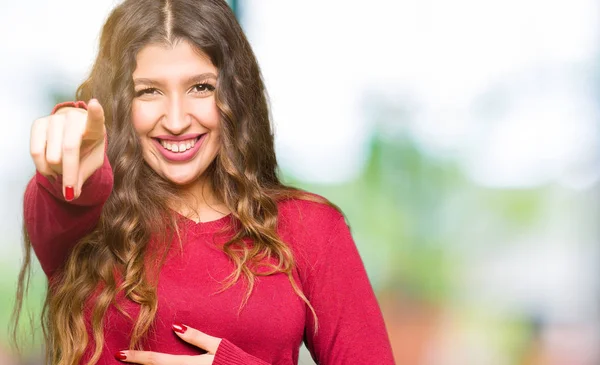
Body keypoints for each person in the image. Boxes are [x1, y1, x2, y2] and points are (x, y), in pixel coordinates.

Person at [14, 0, 395, 364]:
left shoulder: (309, 229)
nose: (177, 120)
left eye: (201, 87)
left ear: (234, 93)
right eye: (149, 91)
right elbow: (68, 191)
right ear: (120, 104)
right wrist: (71, 151)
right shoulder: (83, 214)